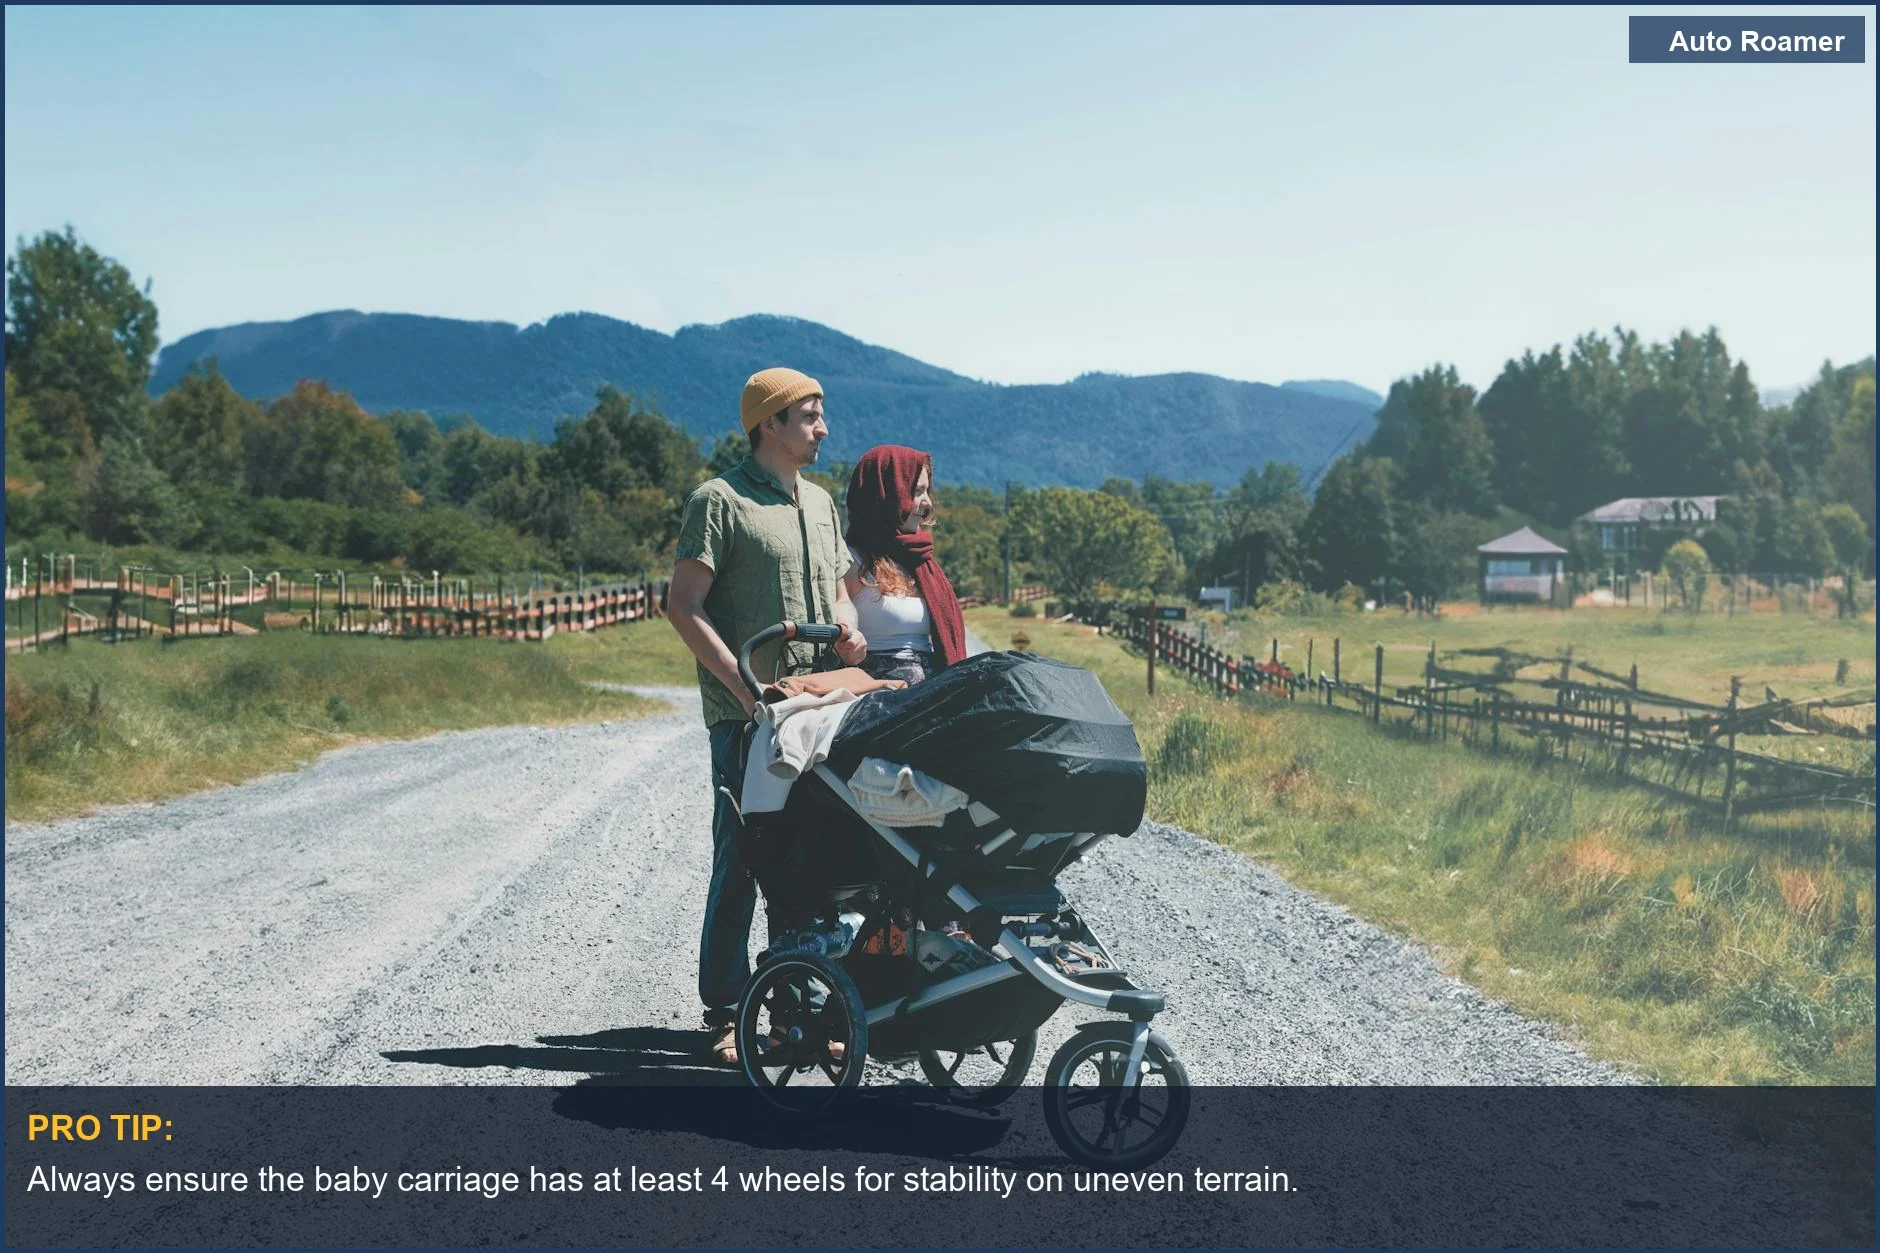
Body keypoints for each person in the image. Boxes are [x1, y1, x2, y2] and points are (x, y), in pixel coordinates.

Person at [668, 366, 867, 1067]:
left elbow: (841, 594)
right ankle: (727, 1007)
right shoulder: (717, 500)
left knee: (813, 861)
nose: (823, 427)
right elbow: (683, 606)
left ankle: (797, 1008)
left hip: (821, 707)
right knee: (745, 859)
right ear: (770, 424)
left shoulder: (819, 503)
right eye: (810, 415)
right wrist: (745, 690)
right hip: (747, 715)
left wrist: (848, 627)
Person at [842, 445, 969, 686]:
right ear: (886, 494)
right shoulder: (851, 562)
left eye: (927, 491)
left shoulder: (919, 561)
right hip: (876, 700)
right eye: (917, 491)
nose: (927, 502)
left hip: (928, 693)